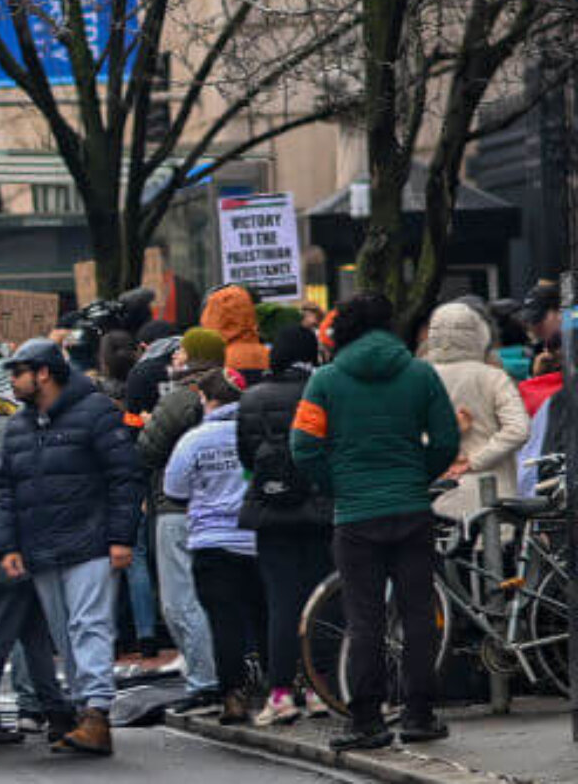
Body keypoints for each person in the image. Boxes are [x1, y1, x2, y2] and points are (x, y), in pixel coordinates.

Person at [290, 292, 460, 752]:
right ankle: (420, 715)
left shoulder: (325, 380)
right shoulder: (419, 373)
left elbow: (303, 446)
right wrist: (416, 474)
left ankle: (367, 720)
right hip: (410, 510)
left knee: (364, 618)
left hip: (356, 516)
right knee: (419, 613)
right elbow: (446, 438)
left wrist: (338, 483)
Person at [0, 337, 143, 756]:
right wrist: (9, 545)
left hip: (89, 542)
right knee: (66, 632)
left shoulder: (94, 412)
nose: (11, 381)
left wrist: (120, 537)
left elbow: (124, 476)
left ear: (43, 372)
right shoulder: (19, 426)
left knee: (88, 625)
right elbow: (7, 489)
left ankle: (96, 712)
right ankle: (86, 713)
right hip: (42, 548)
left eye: (17, 372)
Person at [0, 354, 72, 746]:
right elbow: (18, 494)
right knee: (1, 631)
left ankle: (56, 710)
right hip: (15, 543)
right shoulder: (11, 430)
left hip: (1, 538)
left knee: (33, 633)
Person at [234, 323, 331, 725]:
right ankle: (317, 689)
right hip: (320, 509)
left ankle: (279, 694)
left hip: (272, 512)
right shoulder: (323, 390)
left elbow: (246, 455)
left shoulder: (253, 397)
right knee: (321, 601)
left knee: (281, 603)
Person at [162, 370, 263, 723]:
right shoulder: (255, 432)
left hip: (212, 542)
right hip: (255, 537)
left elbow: (174, 489)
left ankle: (233, 694)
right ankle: (276, 692)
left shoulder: (195, 439)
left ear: (211, 400)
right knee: (264, 616)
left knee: (225, 622)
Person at [135, 325, 227, 710]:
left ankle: (203, 680)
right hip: (218, 508)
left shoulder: (179, 399)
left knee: (179, 600)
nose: (175, 357)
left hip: (175, 508)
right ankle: (216, 675)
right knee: (210, 597)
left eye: (182, 352)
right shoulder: (228, 390)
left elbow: (147, 449)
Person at [418, 302, 530, 522]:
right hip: (494, 496)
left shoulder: (420, 378)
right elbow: (519, 429)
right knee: (496, 552)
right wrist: (475, 460)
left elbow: (407, 433)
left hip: (439, 494)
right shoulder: (493, 377)